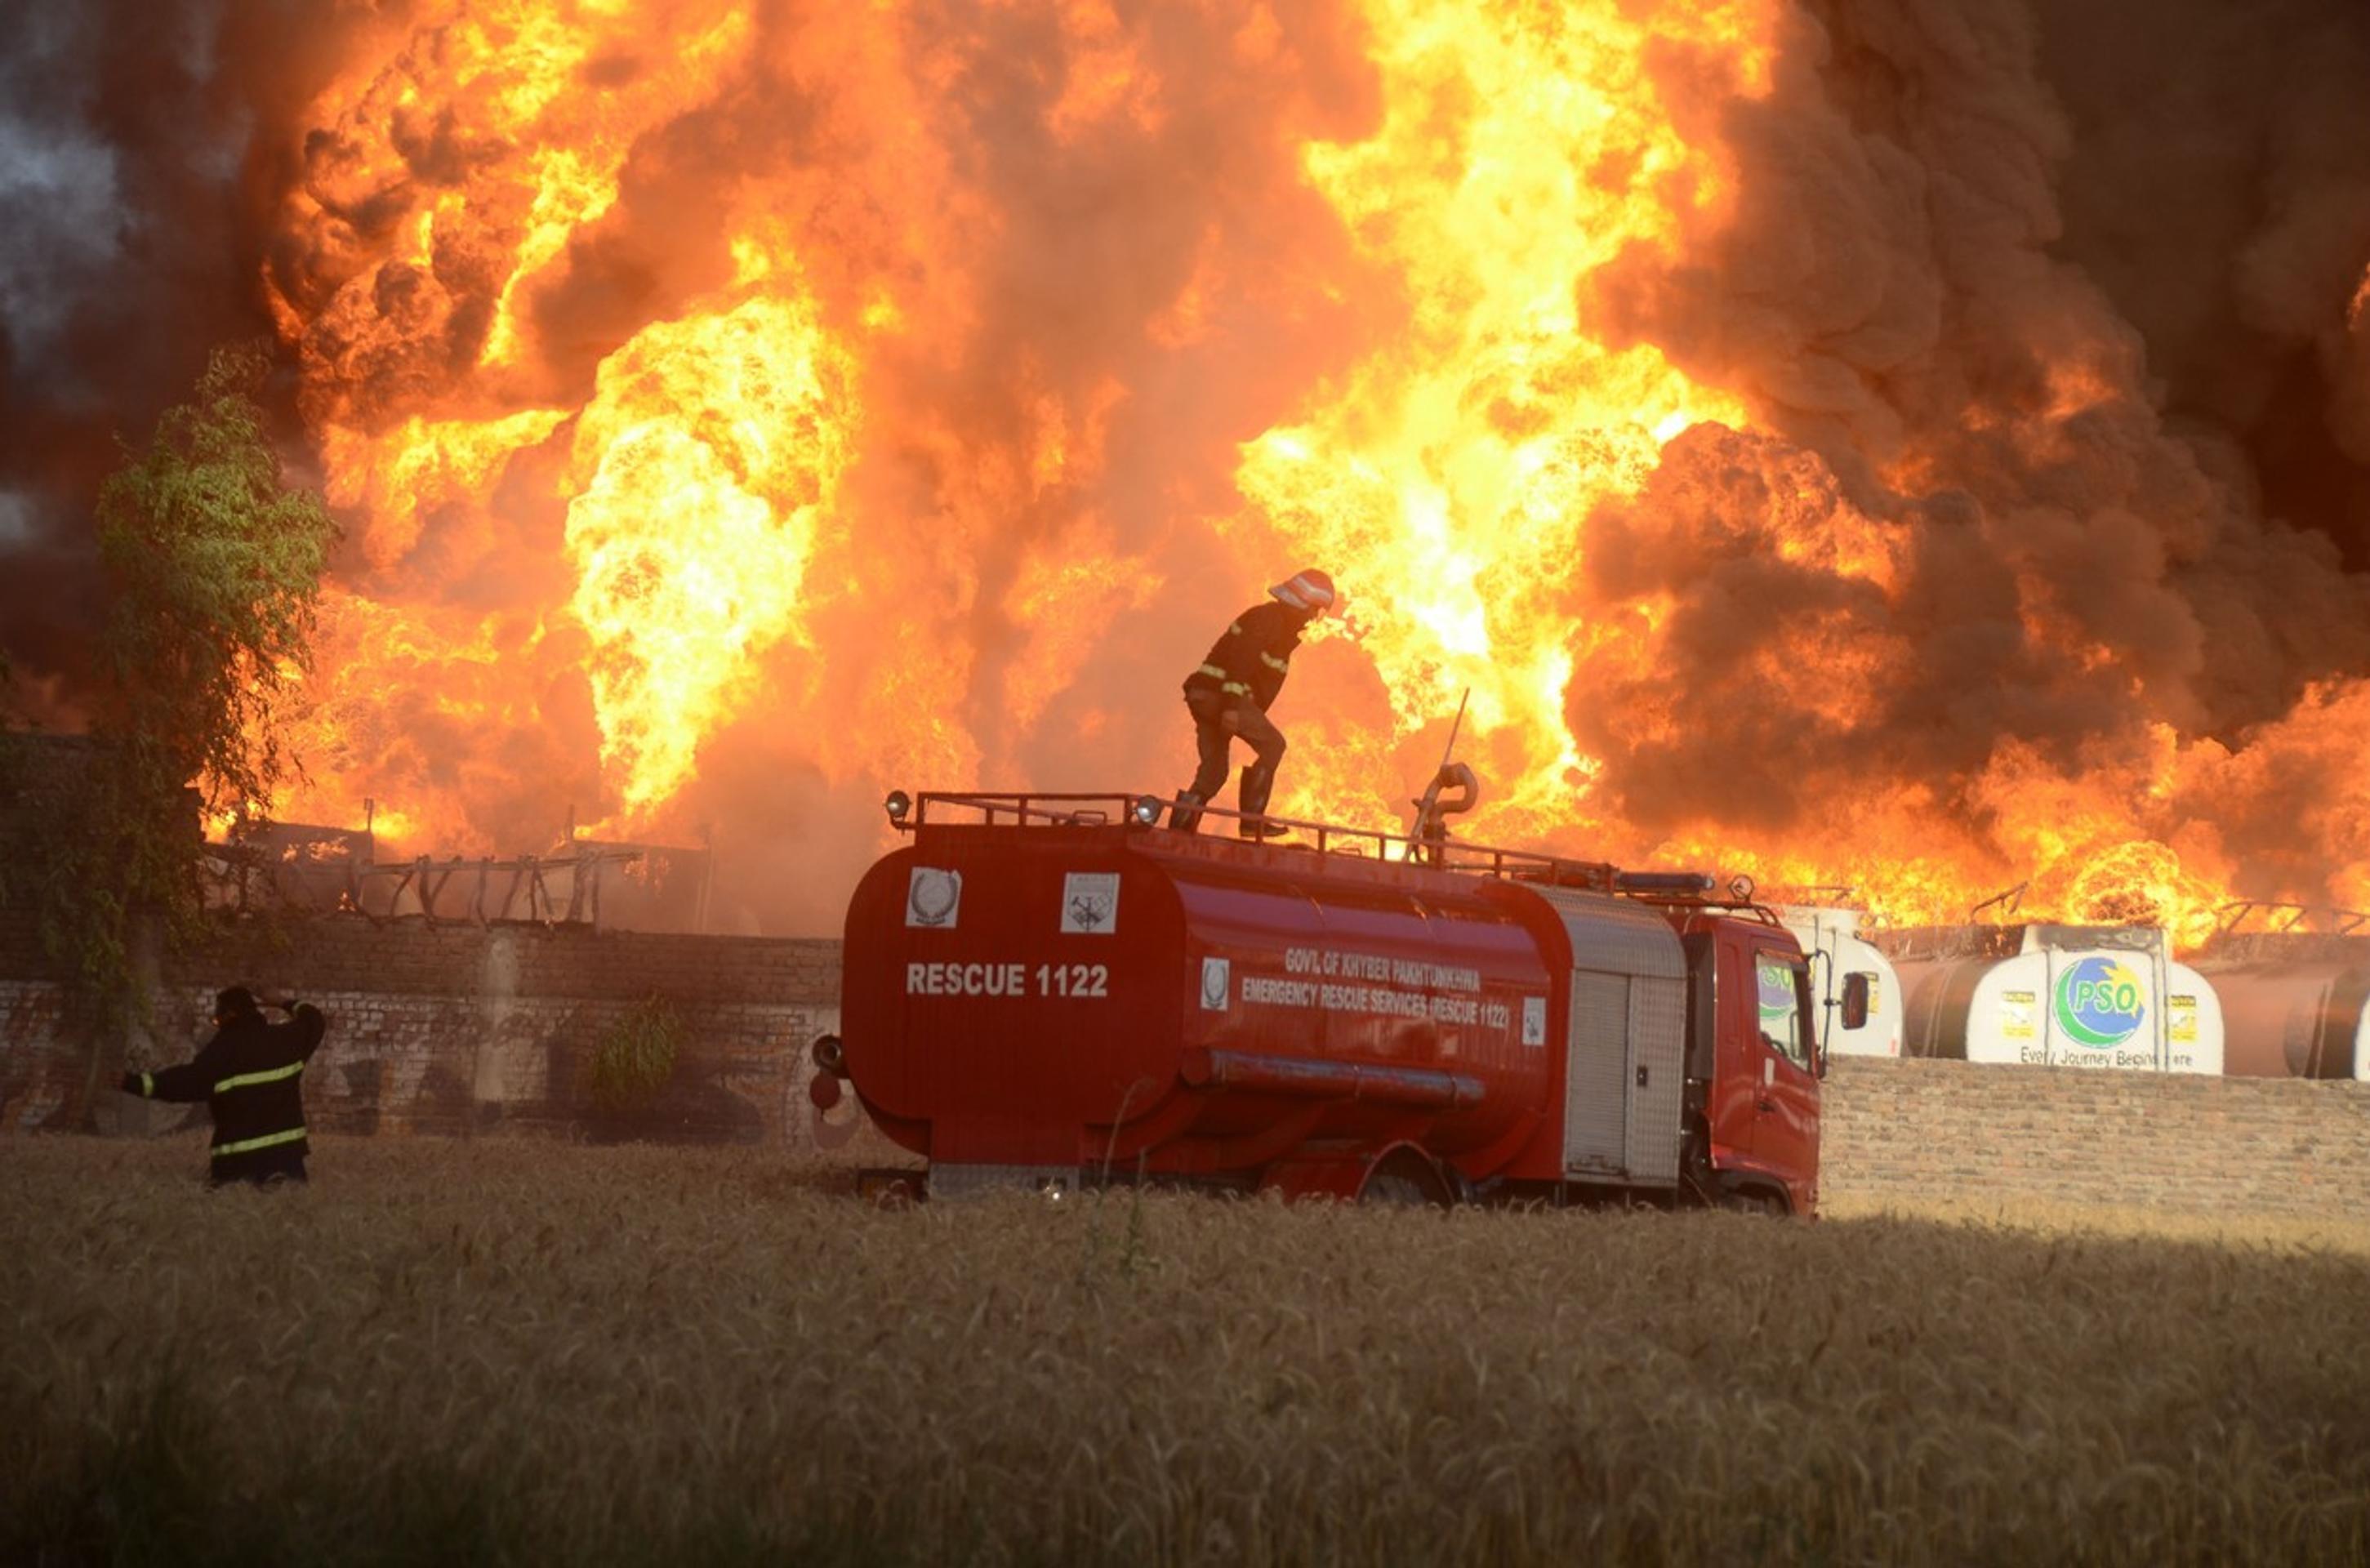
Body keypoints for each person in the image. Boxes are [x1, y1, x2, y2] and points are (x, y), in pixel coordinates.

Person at [1173, 567, 1336, 837]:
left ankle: (1179, 831)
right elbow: (1241, 661)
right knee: (1273, 745)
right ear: (1303, 603)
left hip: (1207, 696)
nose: (1312, 619)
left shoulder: (1278, 630)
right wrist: (1231, 708)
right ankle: (1251, 822)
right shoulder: (1268, 619)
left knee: (1214, 772)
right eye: (1313, 611)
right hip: (1219, 697)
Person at [120, 987, 329, 1187]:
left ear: (229, 1016)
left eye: (217, 1019)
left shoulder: (221, 1052)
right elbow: (314, 1020)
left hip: (236, 1165)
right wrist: (280, 1000)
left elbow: (183, 1083)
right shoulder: (286, 1040)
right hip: (287, 1160)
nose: (217, 1025)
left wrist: (132, 1082)